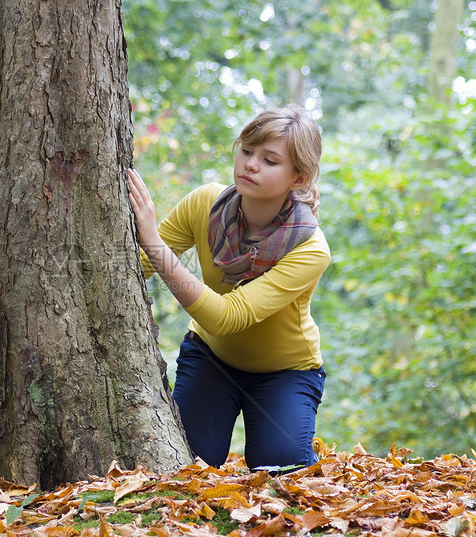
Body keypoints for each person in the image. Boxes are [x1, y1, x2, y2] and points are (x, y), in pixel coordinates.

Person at [127, 105, 330, 472]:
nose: (250, 164)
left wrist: (154, 242)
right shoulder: (205, 203)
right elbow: (136, 267)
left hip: (284, 372)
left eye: (269, 160)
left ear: (298, 179)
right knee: (186, 462)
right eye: (247, 151)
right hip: (211, 358)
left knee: (279, 471)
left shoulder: (310, 249)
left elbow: (227, 317)